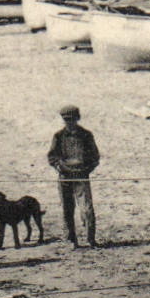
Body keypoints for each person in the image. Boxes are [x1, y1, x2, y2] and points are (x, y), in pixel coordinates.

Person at [47, 104, 100, 247]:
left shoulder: (86, 135)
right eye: (65, 120)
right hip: (64, 177)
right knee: (67, 209)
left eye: (71, 119)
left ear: (77, 118)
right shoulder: (58, 136)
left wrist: (85, 170)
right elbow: (52, 157)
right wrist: (60, 168)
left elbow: (95, 157)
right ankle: (71, 240)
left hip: (82, 177)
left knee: (86, 209)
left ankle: (91, 239)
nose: (69, 122)